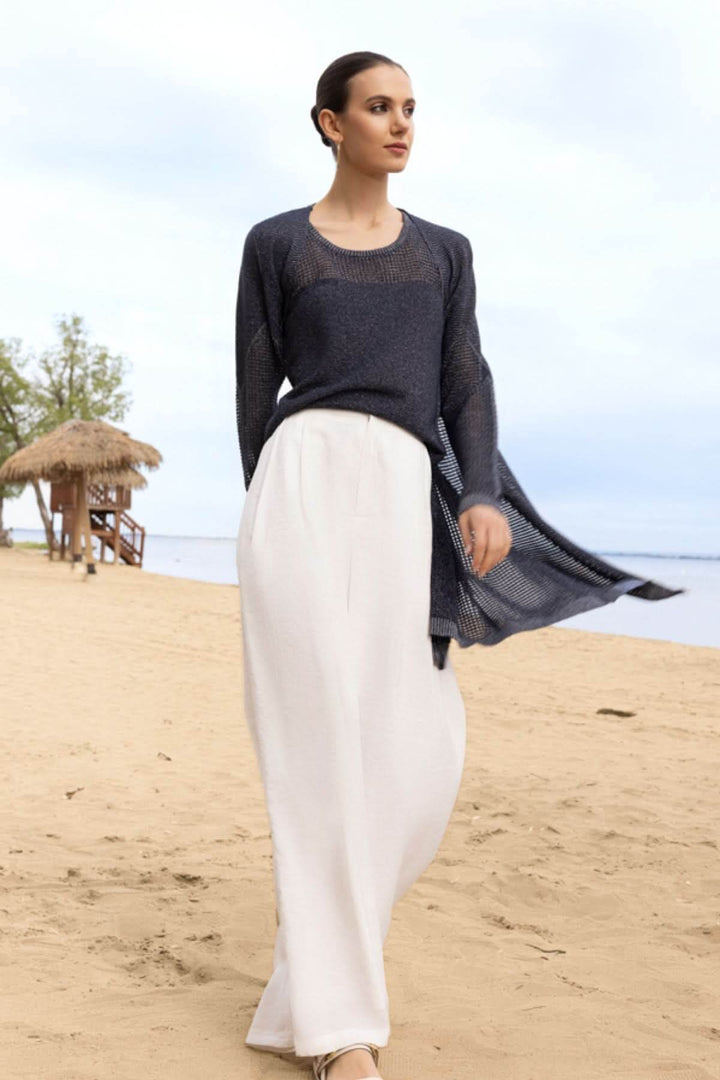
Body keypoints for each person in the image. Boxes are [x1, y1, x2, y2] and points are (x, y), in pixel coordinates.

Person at [235, 52, 683, 1080]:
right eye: (379, 108)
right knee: (315, 753)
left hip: (404, 492)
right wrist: (275, 509)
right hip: (302, 487)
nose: (400, 125)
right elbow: (253, 398)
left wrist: (478, 493)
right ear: (328, 123)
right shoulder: (274, 244)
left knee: (417, 752)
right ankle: (343, 1034)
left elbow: (464, 378)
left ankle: (306, 984)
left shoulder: (443, 252)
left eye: (409, 109)